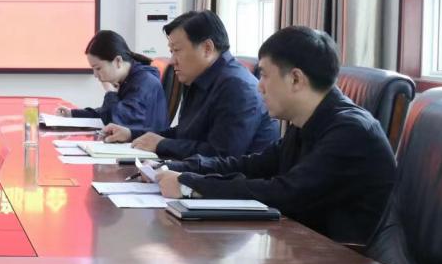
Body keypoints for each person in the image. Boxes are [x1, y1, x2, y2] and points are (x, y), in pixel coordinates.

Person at [154, 26, 396, 245]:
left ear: (296, 79)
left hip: (343, 263)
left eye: (265, 75)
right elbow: (253, 165)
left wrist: (191, 186)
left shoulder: (350, 132)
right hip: (303, 248)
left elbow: (286, 193)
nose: (259, 86)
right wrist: (178, 168)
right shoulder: (306, 121)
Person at [102, 10, 277, 159]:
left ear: (207, 48)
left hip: (234, 185)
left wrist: (162, 145)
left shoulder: (237, 88)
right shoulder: (199, 78)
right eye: (171, 51)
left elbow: (221, 155)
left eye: (177, 50)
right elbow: (185, 133)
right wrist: (131, 134)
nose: (172, 60)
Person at [55, 30, 168, 132]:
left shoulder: (144, 82)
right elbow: (107, 113)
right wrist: (73, 114)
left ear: (118, 61)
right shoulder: (129, 78)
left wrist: (110, 92)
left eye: (98, 68)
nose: (95, 75)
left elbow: (118, 122)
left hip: (143, 146)